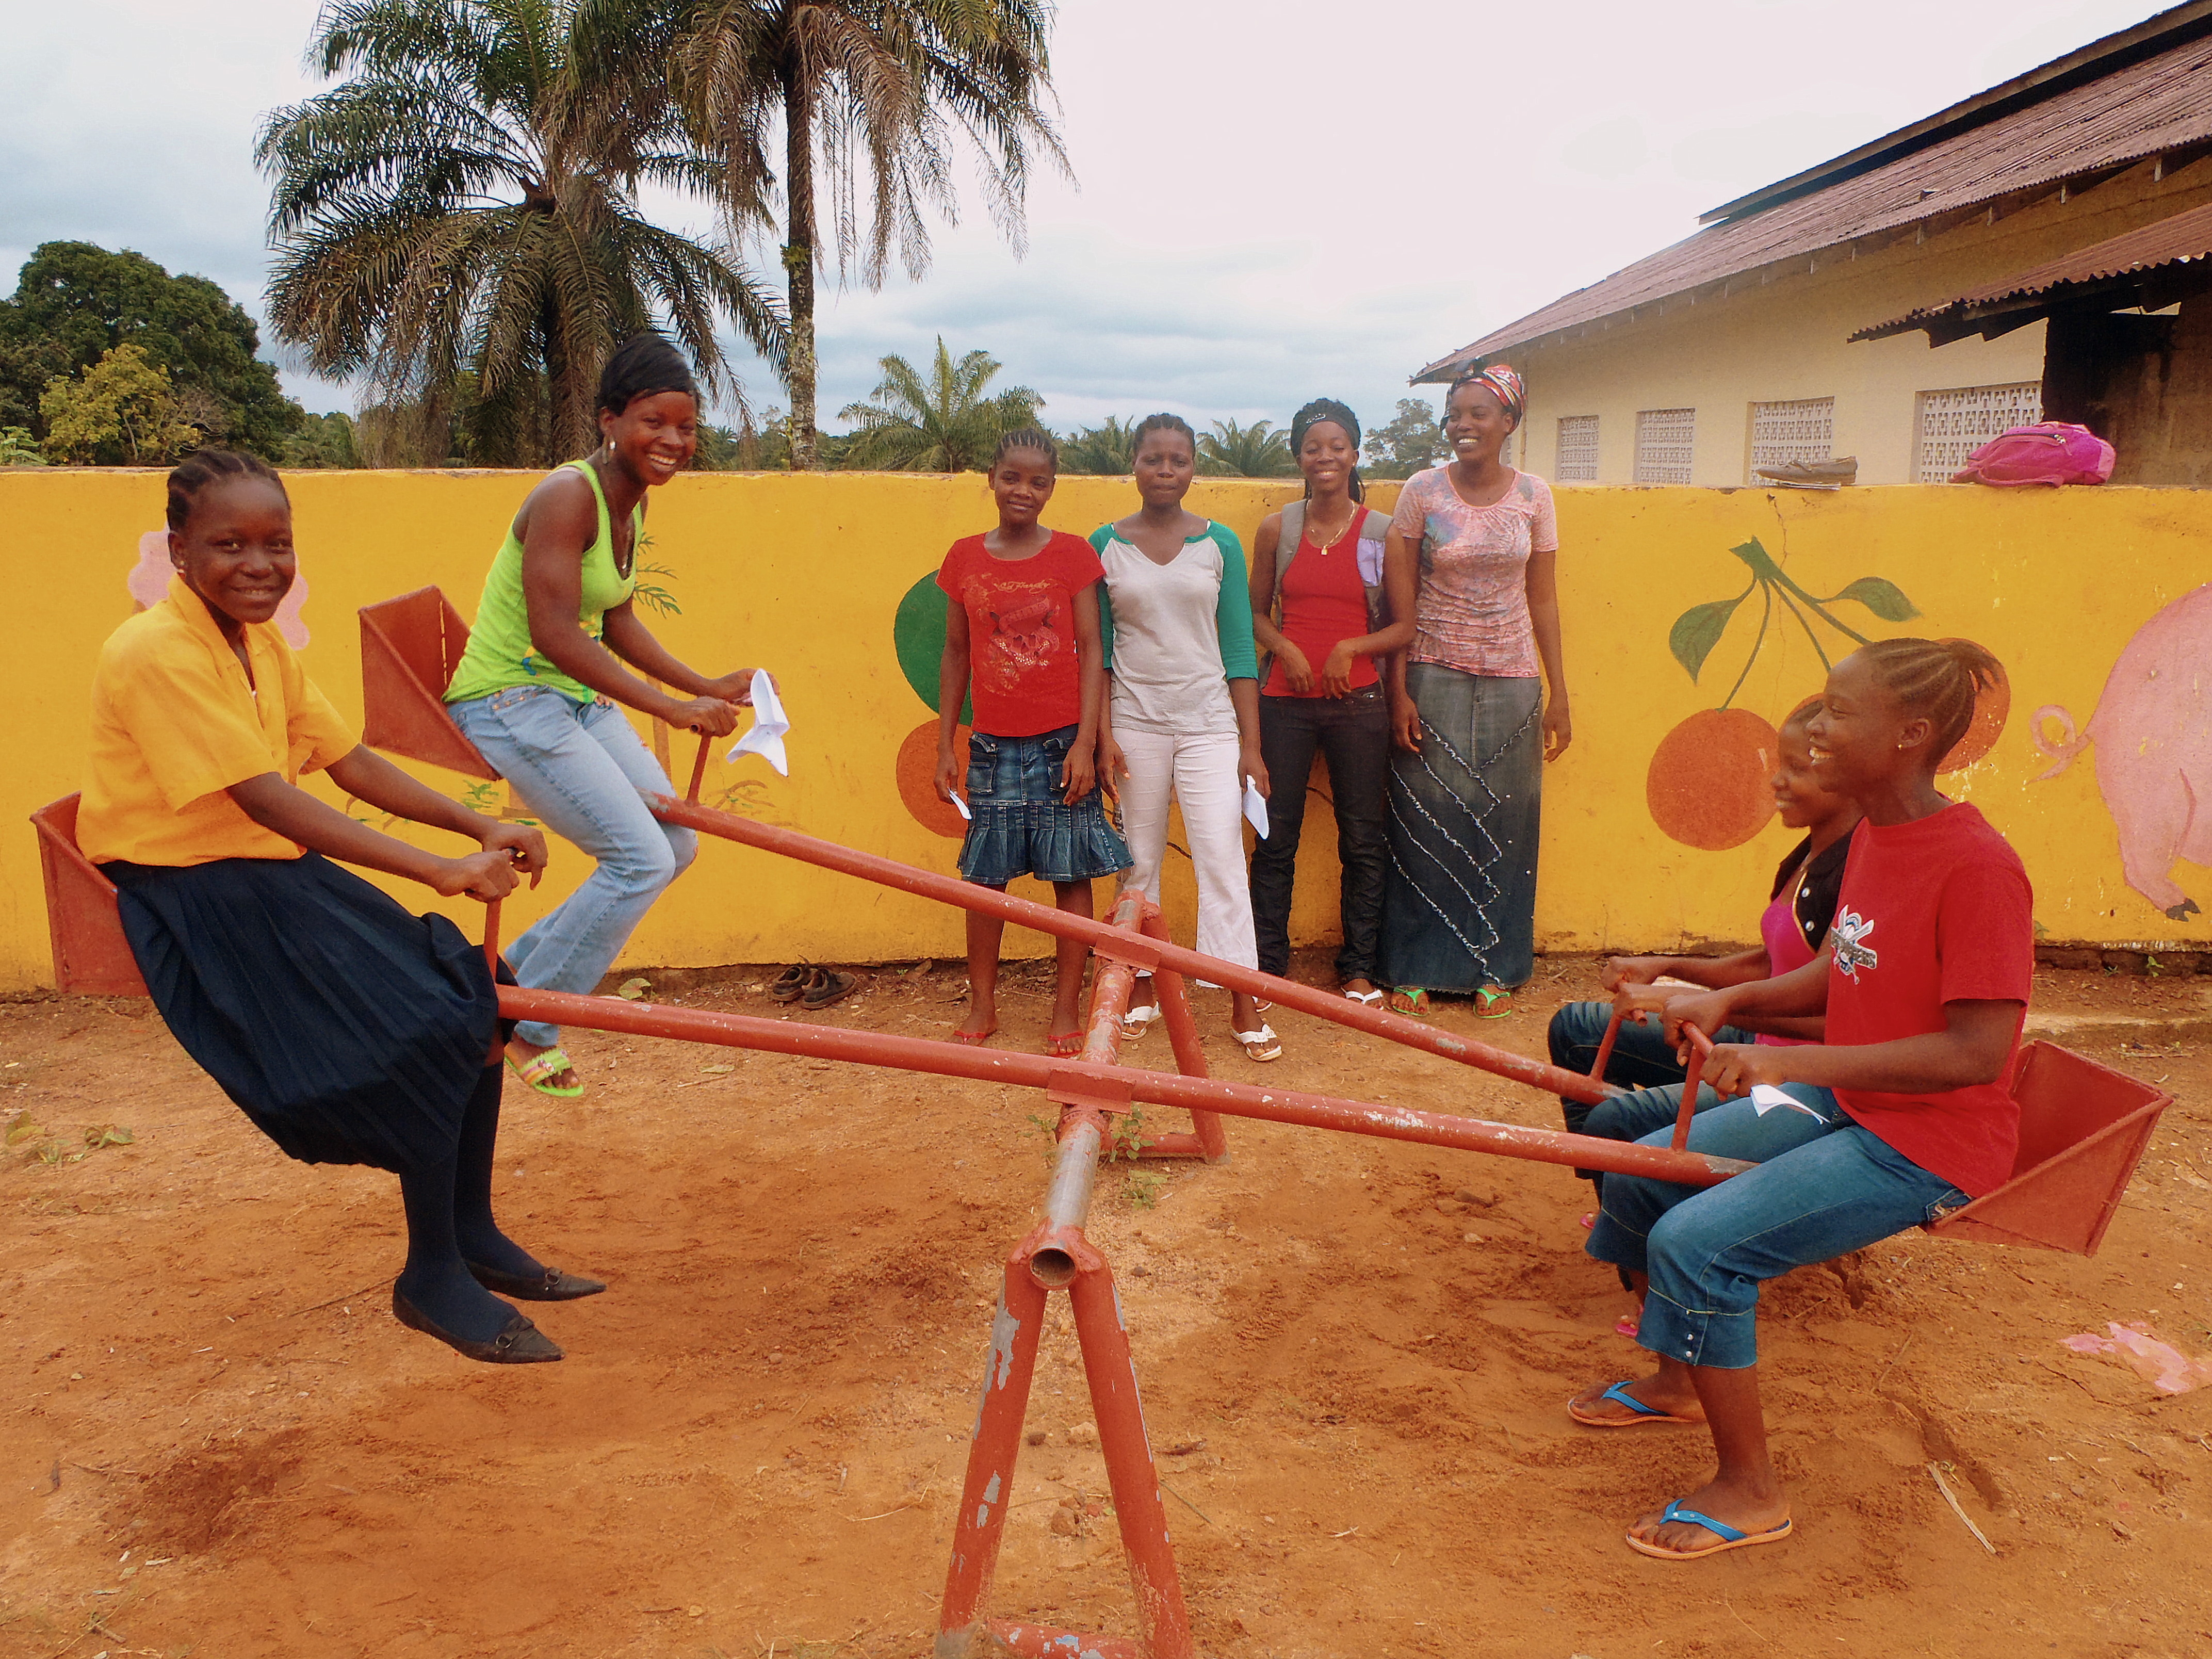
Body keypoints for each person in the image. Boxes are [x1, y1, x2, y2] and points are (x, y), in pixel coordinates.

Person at [82, 449, 590, 1365]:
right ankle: (430, 1275)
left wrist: (474, 821)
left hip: (266, 870)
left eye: (277, 543)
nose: (259, 564)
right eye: (229, 544)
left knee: (485, 985)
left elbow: (346, 760)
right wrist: (438, 869)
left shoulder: (259, 642)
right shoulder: (157, 650)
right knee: (433, 1022)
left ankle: (468, 1231)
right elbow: (265, 799)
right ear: (179, 551)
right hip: (199, 896)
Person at [1566, 640, 2028, 1563]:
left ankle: (1750, 1491)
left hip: (1924, 1145)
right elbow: (1840, 963)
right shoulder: (1879, 839)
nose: (1814, 728)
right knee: (1649, 1174)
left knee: (1696, 1244)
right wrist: (1733, 1000)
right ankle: (1674, 1381)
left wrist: (1787, 1067)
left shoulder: (1977, 866)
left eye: (1835, 712)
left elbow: (1976, 1053)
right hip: (1853, 1102)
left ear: (1910, 735)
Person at [445, 333, 776, 1100]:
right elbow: (554, 632)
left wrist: (704, 684)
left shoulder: (630, 501)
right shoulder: (569, 495)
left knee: (676, 844)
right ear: (609, 420)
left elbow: (616, 621)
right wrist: (668, 706)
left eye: (686, 428)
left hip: (567, 701)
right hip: (508, 700)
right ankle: (530, 1025)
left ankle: (507, 983)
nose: (672, 442)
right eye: (654, 423)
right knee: (640, 859)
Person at [1549, 699, 1861, 1159]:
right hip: (1758, 1036)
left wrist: (1706, 1006)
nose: (1776, 781)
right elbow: (1770, 963)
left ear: (1850, 782)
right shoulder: (1808, 854)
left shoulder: (1858, 873)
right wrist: (1669, 967)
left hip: (1791, 1068)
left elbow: (1837, 1018)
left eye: (1797, 769)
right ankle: (1627, 1181)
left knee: (1613, 1123)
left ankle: (1635, 1193)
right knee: (1575, 1028)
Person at [932, 428, 1130, 1056]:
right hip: (992, 744)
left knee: (1070, 875)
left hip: (1059, 744)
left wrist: (1087, 743)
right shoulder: (964, 557)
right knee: (985, 879)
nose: (1024, 490)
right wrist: (946, 746)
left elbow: (1095, 649)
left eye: (1038, 481)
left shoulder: (1072, 555)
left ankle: (1066, 1009)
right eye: (1011, 478)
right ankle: (983, 1005)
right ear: (990, 478)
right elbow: (957, 652)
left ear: (1052, 487)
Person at [1381, 364, 1569, 1019]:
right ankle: (1411, 964)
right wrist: (1397, 689)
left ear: (1508, 423)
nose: (1463, 425)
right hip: (1433, 666)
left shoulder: (1535, 496)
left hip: (1514, 677)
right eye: (1455, 414)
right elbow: (1396, 602)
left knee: (1508, 820)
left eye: (1478, 414)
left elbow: (1542, 597)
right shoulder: (1421, 491)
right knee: (1424, 817)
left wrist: (1559, 693)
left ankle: (1495, 965)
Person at [1092, 414, 1278, 1062]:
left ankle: (1240, 997)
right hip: (1134, 722)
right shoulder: (1105, 545)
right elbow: (1101, 652)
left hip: (1209, 726)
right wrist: (1101, 734)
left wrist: (1250, 746)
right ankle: (1138, 984)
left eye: (1177, 460)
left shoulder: (1219, 544)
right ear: (1134, 465)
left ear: (1193, 467)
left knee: (1222, 857)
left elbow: (1238, 650)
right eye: (1152, 459)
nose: (1165, 471)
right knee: (1136, 862)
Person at [1245, 399, 1417, 1006]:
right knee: (1275, 837)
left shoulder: (1380, 532)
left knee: (1363, 837)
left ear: (1355, 453)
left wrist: (1350, 647)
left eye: (1336, 446)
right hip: (1283, 705)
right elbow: (1252, 615)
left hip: (1359, 705)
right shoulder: (1278, 529)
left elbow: (1403, 627)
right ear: (1298, 456)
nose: (1325, 456)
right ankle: (1268, 969)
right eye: (1313, 447)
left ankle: (1358, 970)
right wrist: (1286, 649)